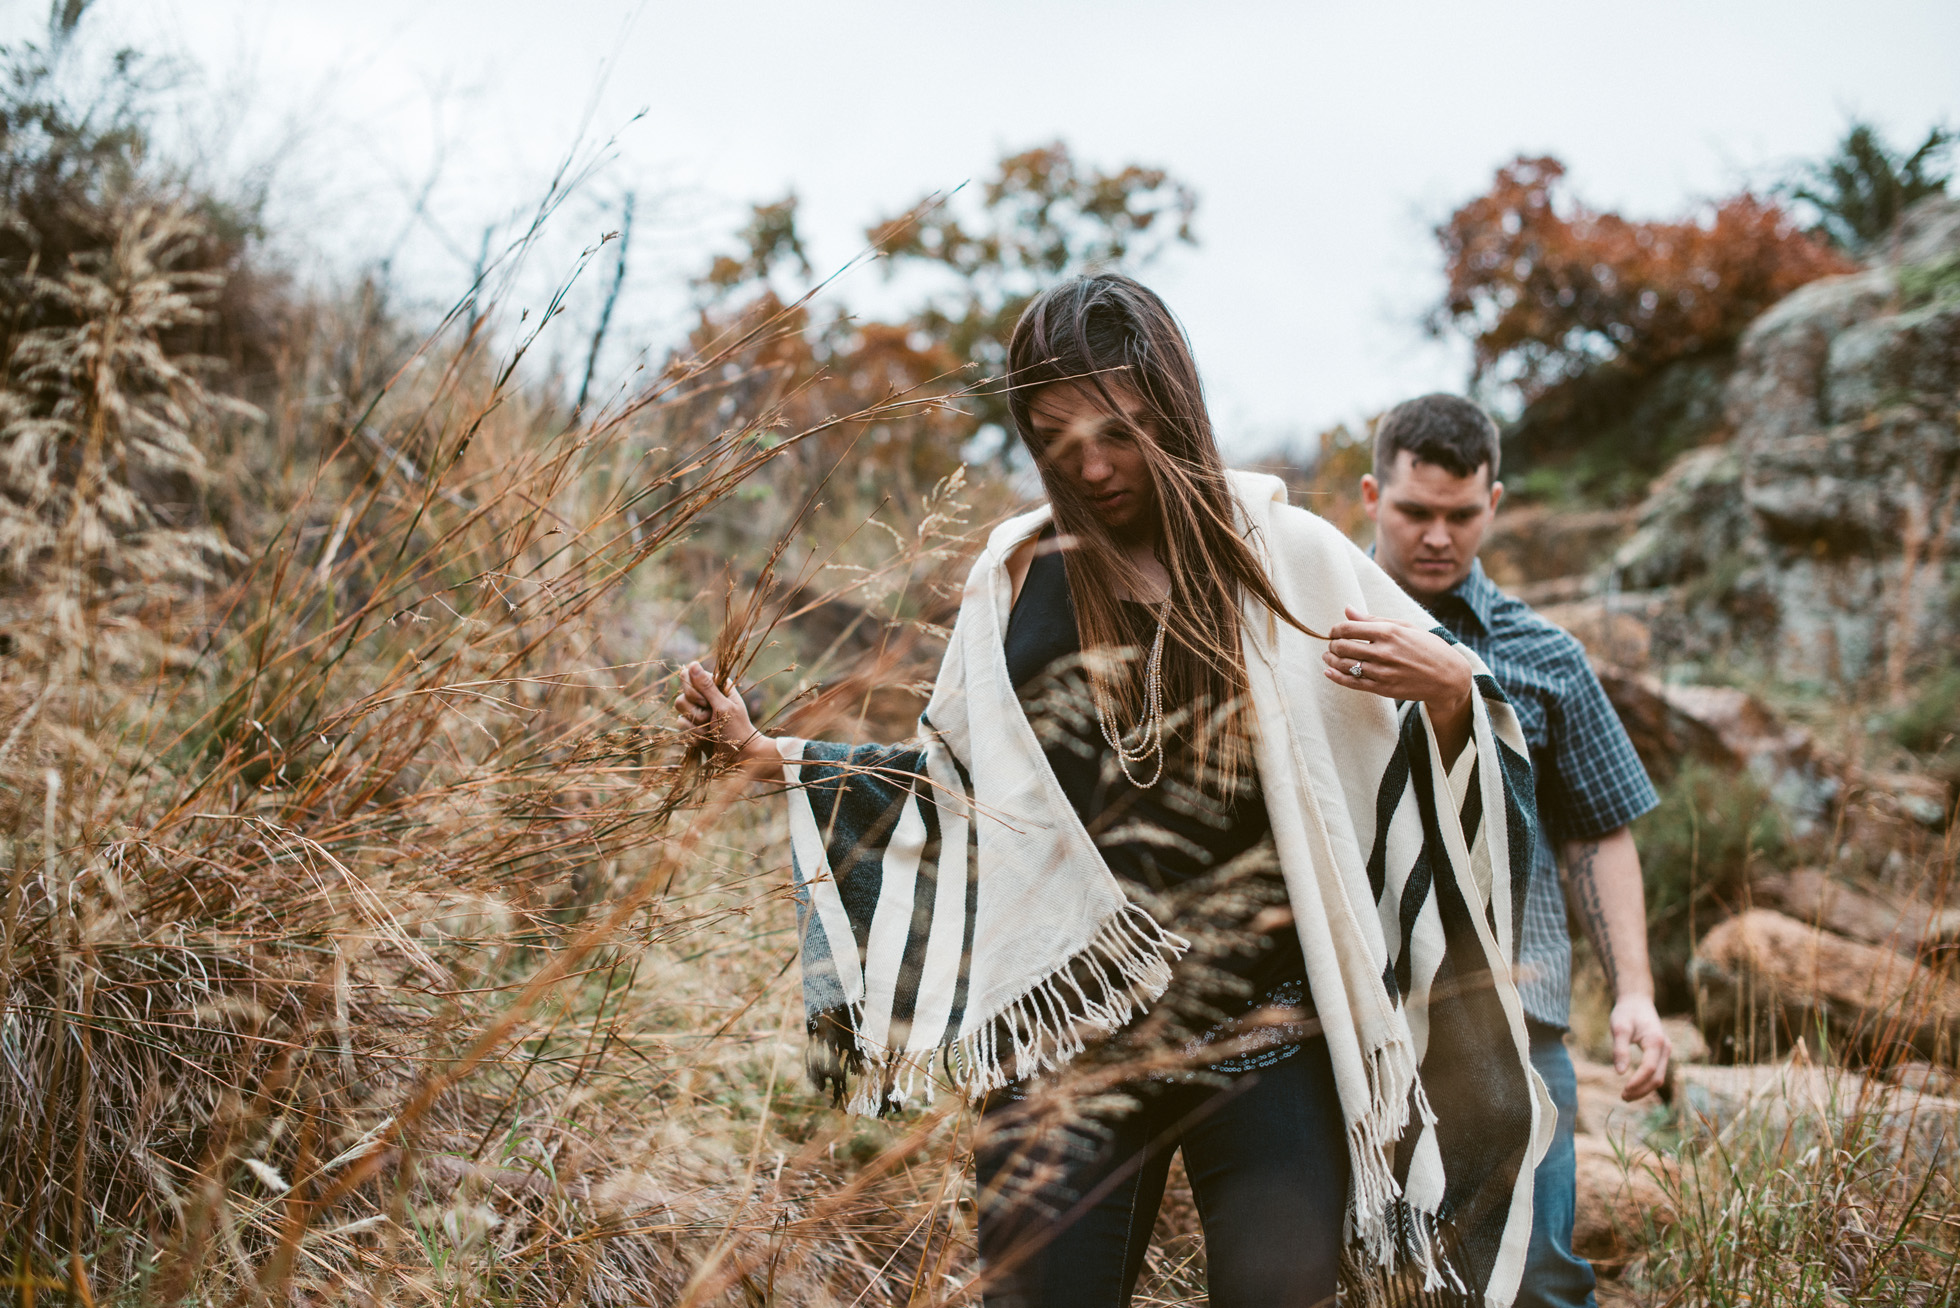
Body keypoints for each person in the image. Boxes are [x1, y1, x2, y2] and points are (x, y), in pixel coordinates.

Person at [679, 275, 1553, 1308]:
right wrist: (775, 760)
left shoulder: (1294, 559)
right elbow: (966, 797)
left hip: (1268, 1047)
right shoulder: (1013, 580)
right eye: (1057, 438)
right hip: (1067, 1051)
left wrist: (1453, 698)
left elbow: (1443, 762)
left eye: (1125, 430)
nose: (1092, 466)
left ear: (1175, 412)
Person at [1358, 394, 1672, 1308]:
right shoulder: (1311, 627)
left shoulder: (1548, 657)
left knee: (1537, 1278)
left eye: (1460, 515)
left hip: (1516, 1021)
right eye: (1415, 512)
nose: (1436, 537)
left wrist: (1637, 995)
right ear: (1375, 493)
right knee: (1375, 1278)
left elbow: (1599, 831)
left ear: (1494, 502)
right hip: (1358, 1022)